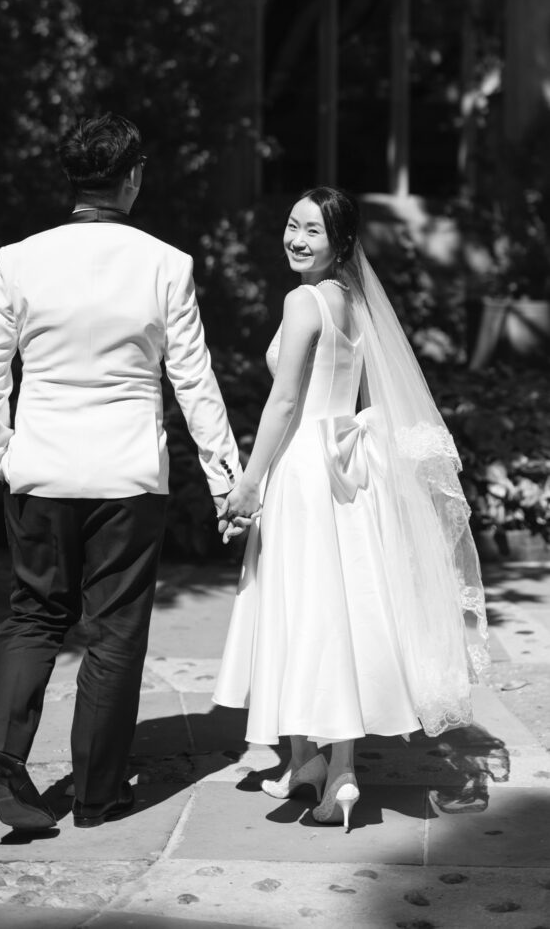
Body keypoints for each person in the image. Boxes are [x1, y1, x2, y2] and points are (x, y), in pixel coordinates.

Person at [0, 112, 242, 831]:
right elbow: (193, 381)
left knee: (34, 615)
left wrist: (2, 453)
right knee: (114, 631)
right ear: (133, 178)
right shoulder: (164, 264)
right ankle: (97, 792)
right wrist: (225, 479)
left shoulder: (18, 259)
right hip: (125, 475)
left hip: (40, 470)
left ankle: (3, 760)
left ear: (72, 179)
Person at [213, 186, 489, 832]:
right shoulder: (353, 302)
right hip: (347, 469)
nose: (295, 238)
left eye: (311, 230)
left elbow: (283, 404)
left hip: (306, 469)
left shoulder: (302, 300)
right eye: (290, 225)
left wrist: (250, 481)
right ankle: (330, 766)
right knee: (339, 608)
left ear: (339, 242)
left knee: (303, 608)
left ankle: (315, 762)